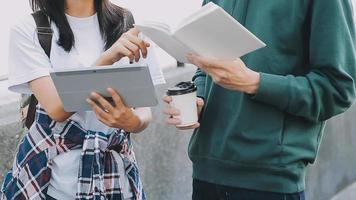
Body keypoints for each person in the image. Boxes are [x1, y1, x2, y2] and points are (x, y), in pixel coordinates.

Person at [163, 0, 356, 199]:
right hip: (205, 172)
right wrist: (198, 98)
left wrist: (255, 83)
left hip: (269, 179)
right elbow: (205, 62)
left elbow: (338, 89)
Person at [1, 0, 164, 199]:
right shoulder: (31, 29)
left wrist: (134, 122)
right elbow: (56, 108)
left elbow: (144, 108)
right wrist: (105, 61)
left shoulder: (128, 24)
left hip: (118, 182)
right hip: (50, 183)